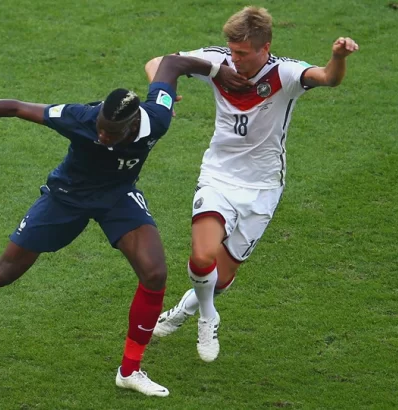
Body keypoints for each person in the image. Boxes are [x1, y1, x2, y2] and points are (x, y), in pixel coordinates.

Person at [0, 55, 251, 397]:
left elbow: (173, 64)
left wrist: (217, 71)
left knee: (155, 273)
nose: (101, 135)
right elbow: (16, 107)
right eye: (100, 127)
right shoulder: (81, 118)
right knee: (5, 272)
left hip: (117, 197)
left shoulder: (157, 118)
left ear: (133, 124)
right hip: (67, 197)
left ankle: (129, 371)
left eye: (110, 132)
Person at [144, 6, 359, 362]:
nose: (234, 59)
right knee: (201, 256)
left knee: (221, 277)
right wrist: (161, 95)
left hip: (262, 187)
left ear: (265, 48)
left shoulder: (285, 74)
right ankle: (208, 317)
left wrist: (338, 57)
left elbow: (327, 78)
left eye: (242, 53)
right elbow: (160, 62)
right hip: (218, 175)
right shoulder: (218, 62)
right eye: (232, 50)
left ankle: (183, 311)